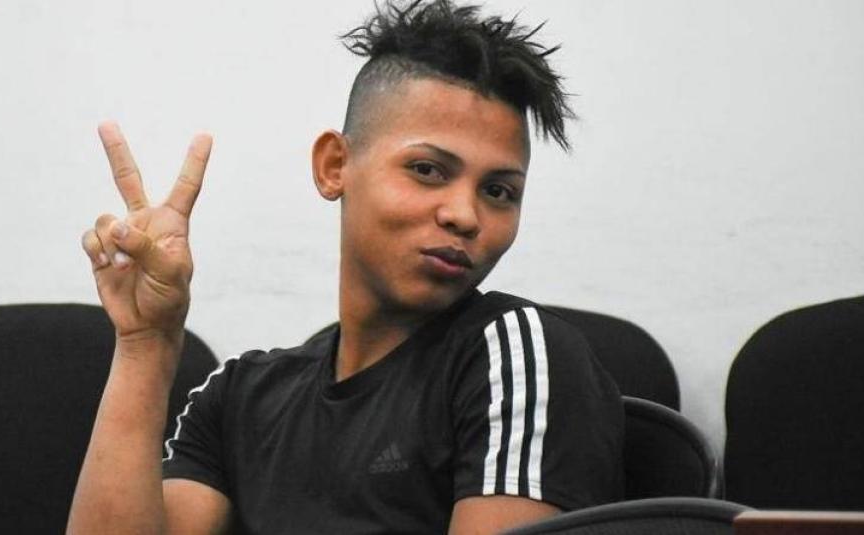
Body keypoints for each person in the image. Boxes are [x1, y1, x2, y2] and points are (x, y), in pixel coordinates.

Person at [67, 1, 623, 533]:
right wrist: (146, 342)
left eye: (499, 191)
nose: (464, 215)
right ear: (335, 166)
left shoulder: (512, 354)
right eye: (428, 170)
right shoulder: (242, 396)